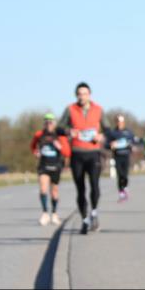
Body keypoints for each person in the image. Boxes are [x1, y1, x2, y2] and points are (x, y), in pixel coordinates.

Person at [57, 82, 110, 234]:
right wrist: (68, 131)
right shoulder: (70, 109)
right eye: (79, 94)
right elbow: (59, 128)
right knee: (80, 189)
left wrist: (102, 136)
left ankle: (94, 212)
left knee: (94, 185)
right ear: (76, 96)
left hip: (93, 153)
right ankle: (84, 219)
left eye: (85, 94)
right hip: (77, 153)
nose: (82, 97)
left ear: (89, 95)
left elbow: (108, 130)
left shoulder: (98, 109)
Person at [30, 112, 71, 226]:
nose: (49, 124)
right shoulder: (39, 135)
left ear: (54, 123)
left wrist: (60, 146)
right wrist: (36, 152)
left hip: (56, 166)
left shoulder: (60, 136)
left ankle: (54, 213)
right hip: (43, 165)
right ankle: (44, 213)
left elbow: (67, 152)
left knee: (54, 191)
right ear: (44, 123)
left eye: (51, 122)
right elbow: (32, 146)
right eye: (46, 122)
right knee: (43, 189)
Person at [105, 114, 141, 202]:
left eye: (121, 121)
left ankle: (125, 187)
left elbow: (135, 142)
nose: (120, 123)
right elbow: (106, 145)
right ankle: (121, 192)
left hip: (126, 155)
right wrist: (110, 145)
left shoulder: (129, 132)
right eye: (118, 121)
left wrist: (133, 147)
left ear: (124, 122)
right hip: (117, 156)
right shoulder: (113, 133)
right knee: (119, 174)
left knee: (125, 175)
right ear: (116, 122)